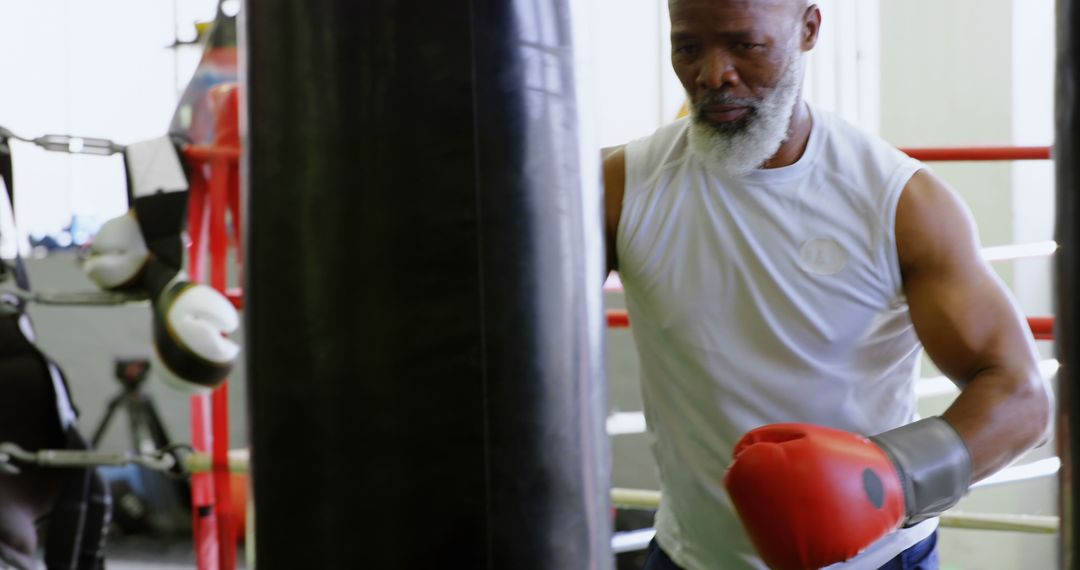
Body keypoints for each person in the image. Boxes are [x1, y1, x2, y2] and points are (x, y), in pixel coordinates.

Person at [602, 1, 1053, 568]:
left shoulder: (898, 201)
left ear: (809, 29)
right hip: (690, 555)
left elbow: (1021, 398)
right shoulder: (621, 190)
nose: (713, 74)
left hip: (879, 559)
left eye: (746, 46)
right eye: (688, 48)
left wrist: (884, 482)